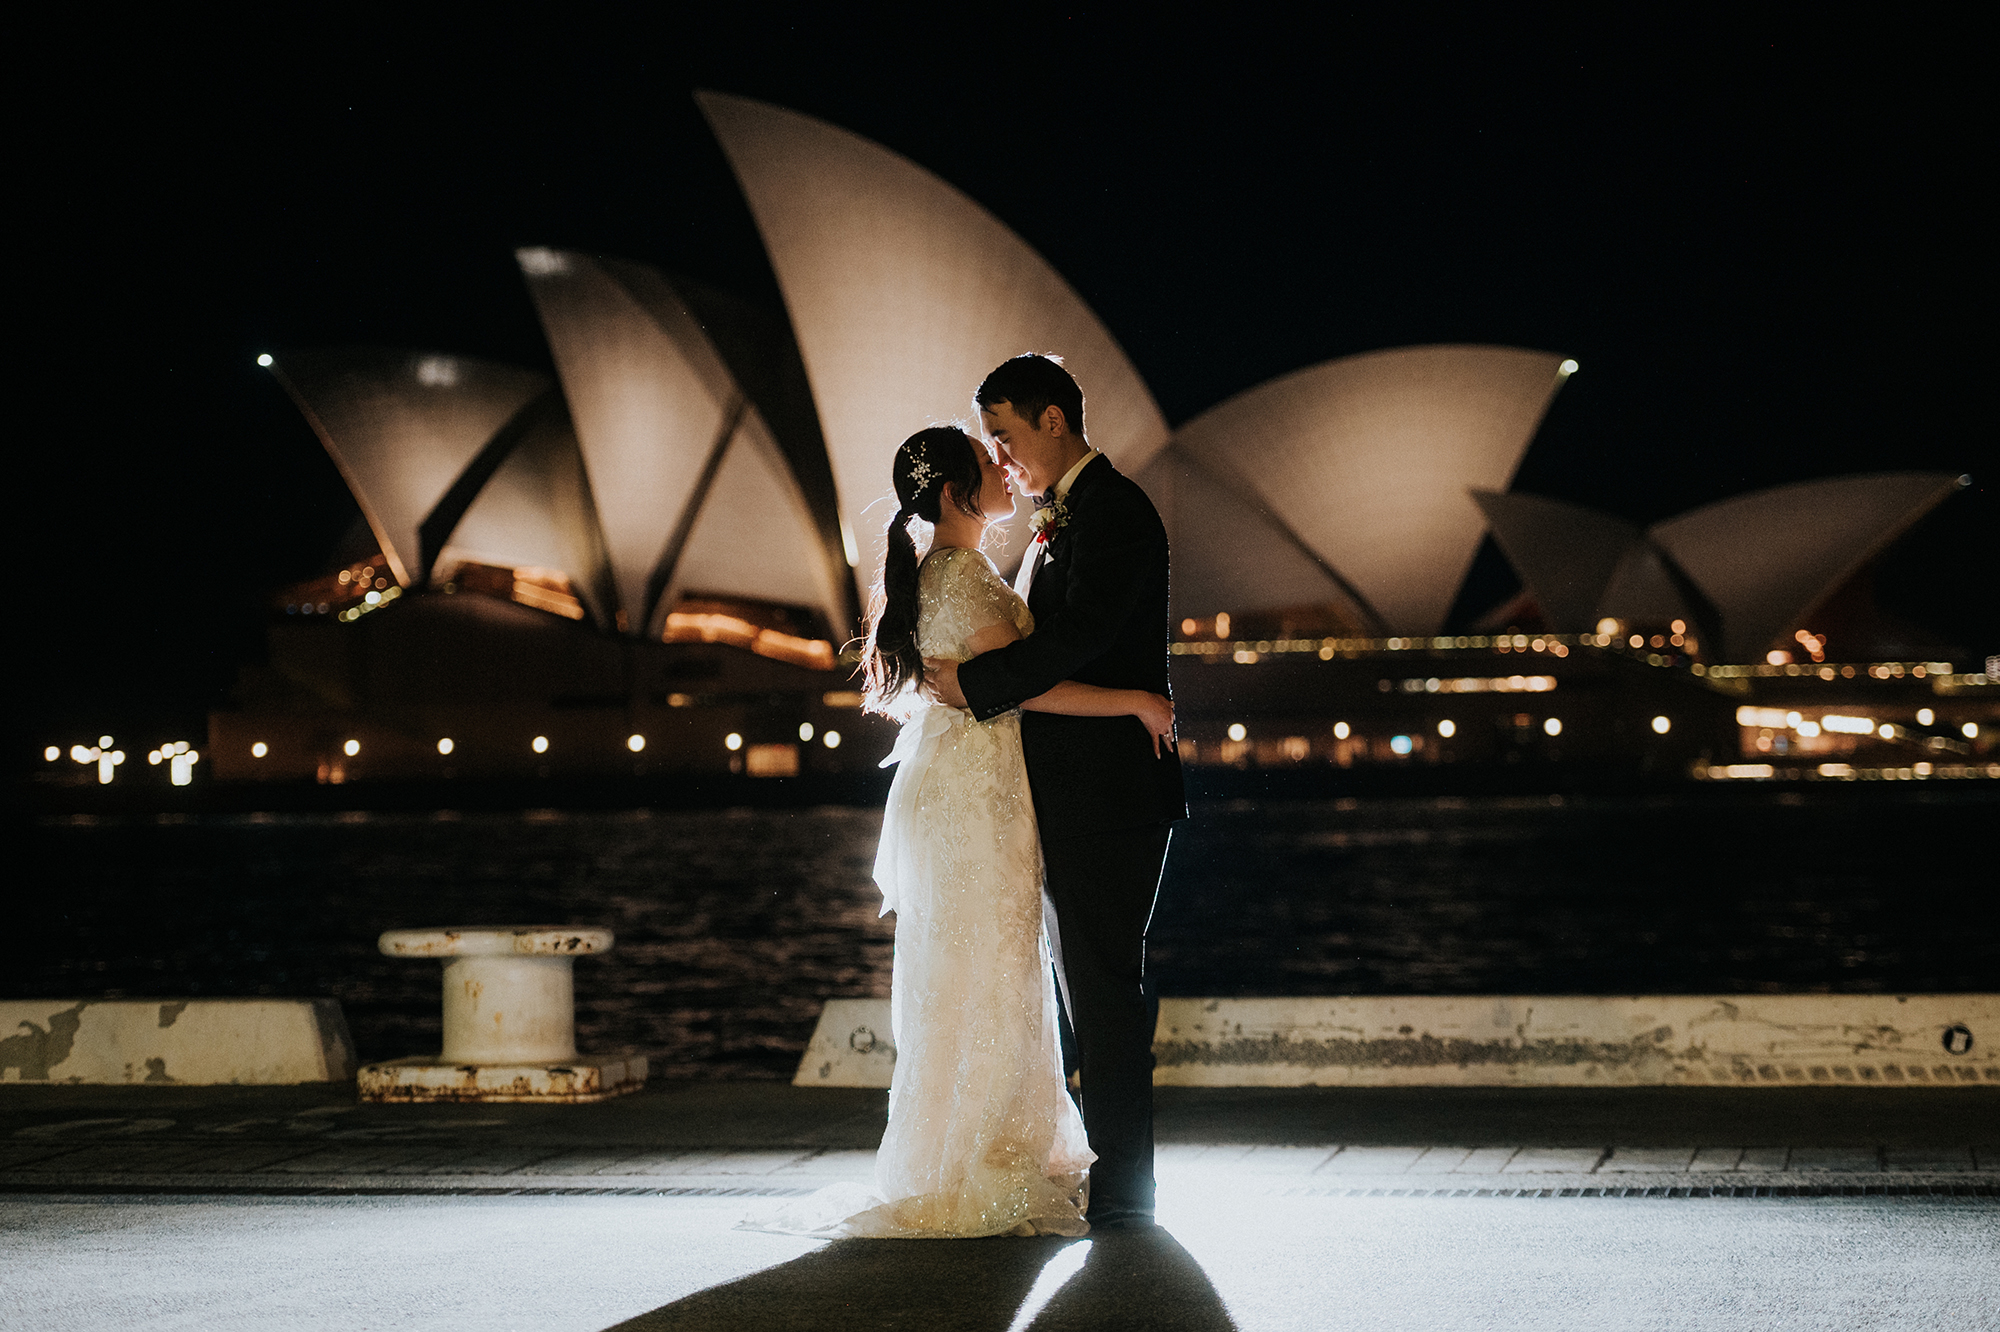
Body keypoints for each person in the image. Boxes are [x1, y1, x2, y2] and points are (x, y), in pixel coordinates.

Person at [751, 423, 1174, 1239]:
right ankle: (990, 1165)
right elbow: (1026, 684)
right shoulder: (965, 576)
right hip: (980, 801)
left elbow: (1002, 679)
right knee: (994, 969)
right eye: (987, 461)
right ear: (954, 494)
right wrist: (1135, 701)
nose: (1002, 467)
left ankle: (968, 1157)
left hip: (961, 792)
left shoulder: (942, 572)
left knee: (970, 971)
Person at [926, 353, 1187, 1231]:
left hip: (1110, 793)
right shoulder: (1060, 518)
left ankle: (1126, 1192)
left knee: (1104, 989)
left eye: (1003, 434)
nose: (998, 457)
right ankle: (1111, 1177)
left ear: (1052, 419)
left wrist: (976, 682)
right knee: (1089, 991)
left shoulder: (1114, 511)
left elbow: (1080, 636)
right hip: (1068, 794)